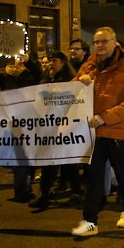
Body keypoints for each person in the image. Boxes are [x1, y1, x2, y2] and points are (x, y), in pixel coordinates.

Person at [70, 27, 124, 237]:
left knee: (123, 174)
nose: (100, 46)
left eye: (104, 41)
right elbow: (71, 90)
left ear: (114, 43)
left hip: (118, 132)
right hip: (95, 132)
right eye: (96, 42)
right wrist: (80, 80)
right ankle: (90, 220)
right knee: (93, 177)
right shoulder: (89, 67)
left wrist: (105, 117)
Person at [0, 53, 42, 202]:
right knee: (16, 158)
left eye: (20, 63)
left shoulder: (29, 78)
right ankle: (22, 191)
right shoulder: (6, 79)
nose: (17, 66)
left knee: (21, 157)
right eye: (16, 63)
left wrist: (28, 61)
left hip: (27, 122)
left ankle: (24, 191)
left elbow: (38, 73)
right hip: (11, 122)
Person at [30, 51, 80, 209]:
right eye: (50, 60)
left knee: (67, 161)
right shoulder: (48, 77)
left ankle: (75, 192)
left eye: (55, 60)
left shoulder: (69, 80)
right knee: (51, 160)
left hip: (64, 125)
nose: (52, 63)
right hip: (50, 125)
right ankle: (45, 193)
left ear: (63, 63)